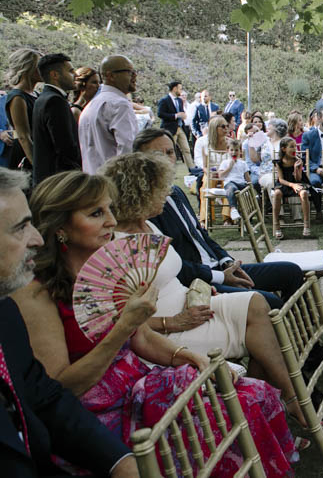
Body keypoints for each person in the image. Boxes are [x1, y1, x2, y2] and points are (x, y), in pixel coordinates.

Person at [14, 170, 300, 475]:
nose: (111, 221)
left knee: (255, 394)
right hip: (99, 410)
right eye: (96, 213)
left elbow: (142, 339)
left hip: (140, 379)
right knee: (233, 412)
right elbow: (62, 388)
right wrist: (125, 327)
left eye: (110, 209)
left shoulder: (109, 271)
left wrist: (188, 357)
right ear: (60, 228)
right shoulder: (38, 294)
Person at [97, 155, 307, 426]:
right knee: (260, 330)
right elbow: (121, 322)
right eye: (161, 188)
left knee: (256, 304)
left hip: (192, 305)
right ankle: (288, 401)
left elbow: (174, 275)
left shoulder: (148, 225)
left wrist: (203, 289)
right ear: (139, 193)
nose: (167, 193)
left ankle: (270, 408)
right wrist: (172, 322)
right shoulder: (116, 246)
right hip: (167, 333)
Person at [0, 168, 141, 478]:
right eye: (21, 227)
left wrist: (119, 461)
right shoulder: (31, 297)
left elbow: (47, 398)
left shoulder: (6, 314)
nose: (36, 238)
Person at [134, 128, 303, 310]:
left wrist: (227, 261)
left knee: (292, 271)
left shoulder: (176, 192)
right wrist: (222, 277)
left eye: (170, 152)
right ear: (140, 160)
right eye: (158, 154)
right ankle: (280, 332)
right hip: (198, 282)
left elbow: (201, 235)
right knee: (269, 301)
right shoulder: (147, 208)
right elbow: (176, 266)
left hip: (219, 267)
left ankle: (303, 335)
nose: (167, 158)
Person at [78, 55, 139, 173]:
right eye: (129, 72)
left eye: (134, 72)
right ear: (110, 76)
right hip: (114, 183)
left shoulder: (91, 106)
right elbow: (128, 152)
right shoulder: (119, 104)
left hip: (93, 181)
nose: (134, 76)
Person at [31, 53, 82, 186]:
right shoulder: (55, 101)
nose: (76, 75)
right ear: (55, 75)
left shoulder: (43, 98)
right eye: (70, 71)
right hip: (59, 182)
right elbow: (65, 147)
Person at [273, 136, 319, 239]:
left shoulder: (297, 160)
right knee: (277, 193)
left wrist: (296, 168)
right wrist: (292, 185)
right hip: (285, 184)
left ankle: (306, 224)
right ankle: (277, 225)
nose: (295, 149)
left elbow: (298, 179)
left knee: (304, 193)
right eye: (291, 147)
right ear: (284, 149)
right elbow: (281, 179)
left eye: (295, 147)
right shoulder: (279, 162)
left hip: (297, 182)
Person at [4, 49, 40, 172]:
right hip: (26, 156)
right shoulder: (18, 97)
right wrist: (38, 167)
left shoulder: (36, 94)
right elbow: (23, 136)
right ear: (28, 68)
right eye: (38, 66)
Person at [157, 80, 195, 169]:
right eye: (180, 89)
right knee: (169, 151)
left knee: (186, 149)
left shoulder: (179, 100)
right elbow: (160, 114)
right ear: (174, 89)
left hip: (180, 127)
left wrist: (183, 116)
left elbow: (181, 112)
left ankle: (192, 169)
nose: (181, 91)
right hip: (170, 129)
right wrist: (175, 115)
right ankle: (168, 169)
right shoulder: (164, 100)